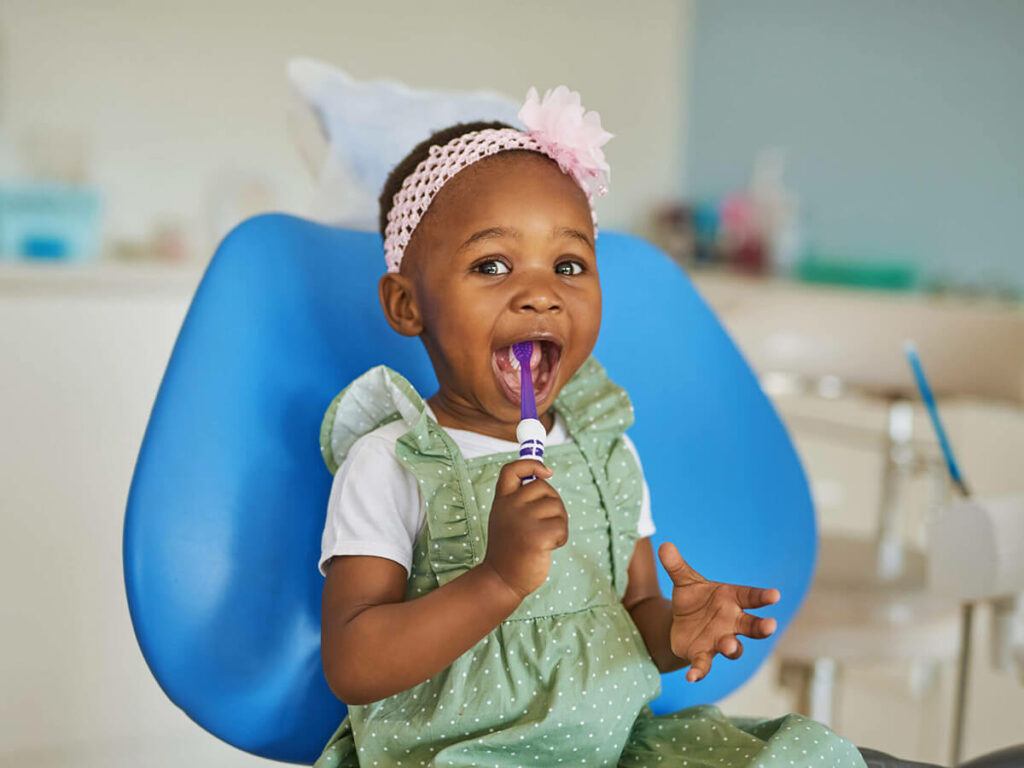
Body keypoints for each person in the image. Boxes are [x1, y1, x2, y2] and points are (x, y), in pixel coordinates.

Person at [314, 85, 866, 767]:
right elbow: (354, 662)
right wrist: (496, 579)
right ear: (406, 305)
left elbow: (636, 610)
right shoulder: (394, 459)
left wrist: (675, 629)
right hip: (461, 755)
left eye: (569, 265)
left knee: (805, 756)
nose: (541, 291)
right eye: (492, 265)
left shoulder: (607, 452)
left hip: (613, 750)